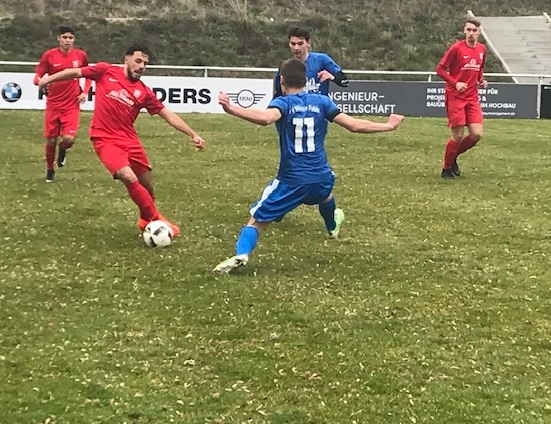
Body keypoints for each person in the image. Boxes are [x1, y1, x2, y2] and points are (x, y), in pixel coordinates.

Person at [213, 58, 404, 274]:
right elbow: (354, 125)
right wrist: (388, 125)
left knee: (256, 220)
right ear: (305, 81)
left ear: (281, 80)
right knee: (325, 196)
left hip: (292, 180)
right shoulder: (322, 102)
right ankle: (332, 227)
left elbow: (265, 118)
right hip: (322, 177)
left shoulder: (283, 104)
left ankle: (241, 253)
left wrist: (231, 108)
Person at [38, 44, 205, 237]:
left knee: (147, 185)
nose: (141, 66)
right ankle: (157, 220)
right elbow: (75, 72)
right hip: (104, 139)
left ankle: (144, 220)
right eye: (138, 61)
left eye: (145, 64)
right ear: (126, 59)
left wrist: (192, 134)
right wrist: (47, 79)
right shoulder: (105, 71)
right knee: (128, 177)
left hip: (129, 140)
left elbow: (166, 113)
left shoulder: (143, 91)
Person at [33, 25, 92, 183]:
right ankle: (50, 170)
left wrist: (85, 91)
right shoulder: (49, 56)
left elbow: (89, 74)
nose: (67, 40)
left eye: (70, 38)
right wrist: (40, 82)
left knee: (69, 138)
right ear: (58, 38)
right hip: (53, 104)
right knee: (51, 140)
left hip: (72, 105)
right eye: (64, 37)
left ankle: (63, 149)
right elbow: (38, 75)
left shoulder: (80, 55)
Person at [436, 17, 488, 179]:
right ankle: (446, 169)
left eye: (474, 30)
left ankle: (453, 157)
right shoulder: (456, 48)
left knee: (476, 134)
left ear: (479, 32)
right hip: (456, 96)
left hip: (472, 97)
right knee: (458, 135)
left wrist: (481, 80)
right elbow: (440, 69)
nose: (471, 33)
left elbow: (479, 69)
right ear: (464, 31)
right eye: (468, 30)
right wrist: (455, 83)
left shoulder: (482, 49)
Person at [272, 24, 349, 98]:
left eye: (300, 44)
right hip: (297, 106)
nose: (296, 48)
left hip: (319, 105)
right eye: (293, 44)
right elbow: (279, 93)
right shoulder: (286, 66)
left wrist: (332, 77)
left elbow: (344, 81)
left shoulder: (321, 60)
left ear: (308, 43)